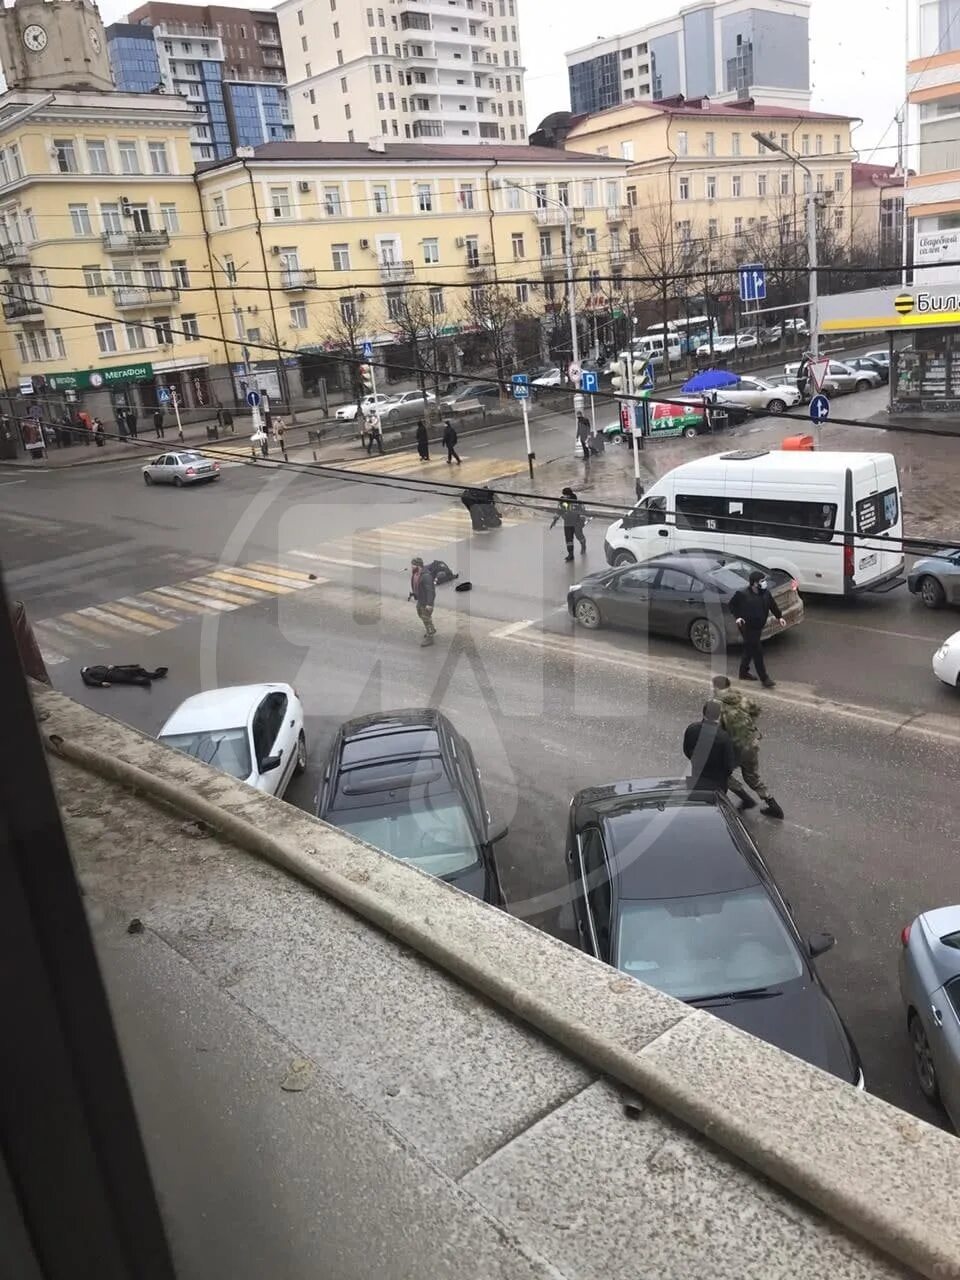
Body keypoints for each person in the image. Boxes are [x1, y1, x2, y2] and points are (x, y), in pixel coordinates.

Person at [712, 675, 784, 819]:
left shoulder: (717, 705)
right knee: (752, 776)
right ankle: (773, 805)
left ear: (716, 687)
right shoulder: (740, 698)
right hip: (751, 743)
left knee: (721, 774)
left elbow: (716, 731)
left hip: (736, 748)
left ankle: (746, 799)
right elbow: (756, 709)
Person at [683, 701, 755, 806]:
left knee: (698, 806)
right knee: (715, 807)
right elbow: (728, 765)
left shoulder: (692, 729)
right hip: (717, 782)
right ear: (718, 715)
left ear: (703, 713)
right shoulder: (723, 737)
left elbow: (686, 750)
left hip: (697, 777)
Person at [731, 569, 785, 687]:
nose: (764, 582)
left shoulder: (765, 593)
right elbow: (732, 605)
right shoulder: (743, 594)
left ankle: (743, 672)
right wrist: (738, 617)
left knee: (749, 649)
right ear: (755, 583)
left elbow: (772, 605)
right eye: (762, 581)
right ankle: (764, 679)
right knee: (757, 652)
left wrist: (779, 617)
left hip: (758, 626)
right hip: (747, 627)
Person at [550, 486, 587, 561]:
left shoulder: (577, 502)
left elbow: (582, 512)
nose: (565, 496)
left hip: (577, 522)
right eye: (564, 495)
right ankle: (570, 554)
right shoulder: (562, 502)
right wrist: (554, 521)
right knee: (568, 539)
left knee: (579, 536)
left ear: (570, 495)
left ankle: (583, 545)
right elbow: (559, 511)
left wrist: (582, 521)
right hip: (567, 523)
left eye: (566, 495)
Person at [408, 556, 437, 647]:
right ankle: (431, 629)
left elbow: (431, 591)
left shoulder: (426, 576)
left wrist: (429, 604)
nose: (411, 567)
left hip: (425, 602)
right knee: (420, 614)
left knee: (426, 618)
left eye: (413, 565)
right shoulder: (416, 573)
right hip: (420, 599)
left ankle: (430, 637)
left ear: (418, 566)